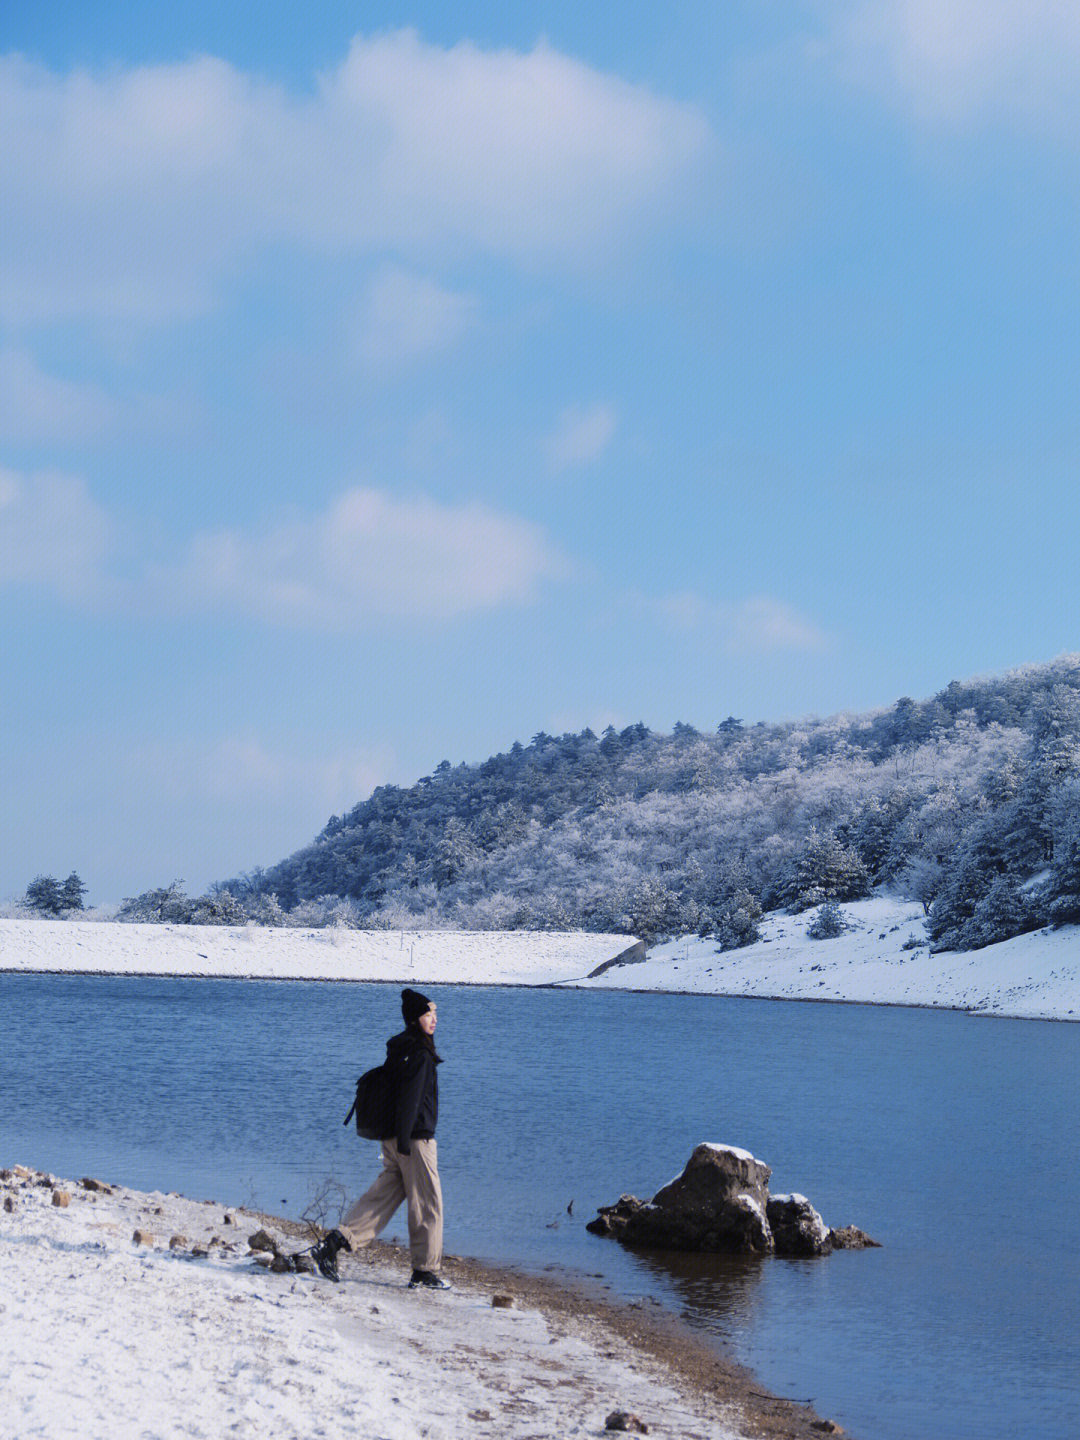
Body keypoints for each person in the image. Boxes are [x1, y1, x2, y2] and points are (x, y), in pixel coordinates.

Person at [313, 988, 449, 1290]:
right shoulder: (420, 1053)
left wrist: (396, 1140)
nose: (434, 1019)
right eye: (428, 1014)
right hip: (413, 1141)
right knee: (428, 1205)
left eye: (436, 1014)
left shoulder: (399, 1048)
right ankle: (424, 1271)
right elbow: (411, 1100)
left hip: (394, 1139)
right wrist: (405, 1140)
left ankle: (335, 1243)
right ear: (415, 1019)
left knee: (382, 1198)